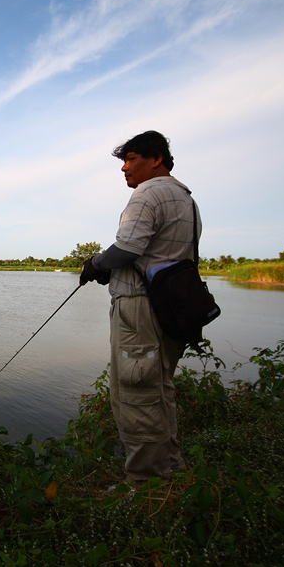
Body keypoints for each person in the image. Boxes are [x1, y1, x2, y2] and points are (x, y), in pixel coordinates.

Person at [79, 130, 200, 484]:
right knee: (159, 391)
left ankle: (145, 486)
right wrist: (112, 266)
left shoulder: (147, 194)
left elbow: (127, 249)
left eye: (131, 159)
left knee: (136, 396)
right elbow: (158, 256)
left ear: (156, 158)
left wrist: (98, 264)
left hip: (141, 311)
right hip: (171, 310)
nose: (125, 169)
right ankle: (170, 473)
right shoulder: (186, 198)